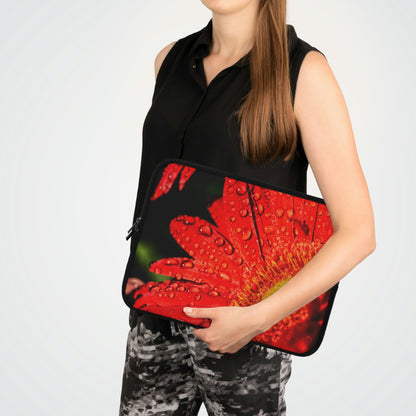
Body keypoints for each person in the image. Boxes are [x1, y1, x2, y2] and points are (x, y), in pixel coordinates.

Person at [119, 1, 376, 415]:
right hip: (154, 310)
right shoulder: (169, 60)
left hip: (248, 331)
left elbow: (358, 232)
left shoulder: (304, 71)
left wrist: (257, 318)